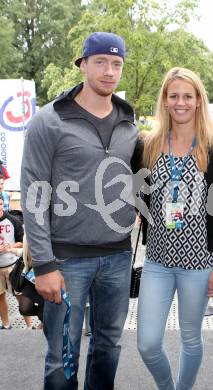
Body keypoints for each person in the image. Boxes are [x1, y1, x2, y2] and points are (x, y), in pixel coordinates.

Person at [21, 32, 139, 389]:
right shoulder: (50, 120)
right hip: (66, 260)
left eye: (116, 64)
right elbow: (33, 195)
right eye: (100, 62)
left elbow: (131, 175)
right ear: (83, 64)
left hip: (118, 256)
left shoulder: (128, 121)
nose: (109, 71)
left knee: (108, 347)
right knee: (61, 354)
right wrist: (44, 265)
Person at [137, 67, 213, 390]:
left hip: (199, 265)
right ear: (164, 100)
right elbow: (139, 195)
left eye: (187, 96)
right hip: (158, 262)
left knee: (191, 337)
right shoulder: (147, 146)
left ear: (198, 101)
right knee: (148, 343)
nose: (180, 102)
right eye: (174, 95)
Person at [0, 195, 23, 329]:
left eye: (0, 204)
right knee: (0, 298)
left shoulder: (13, 220)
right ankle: (6, 325)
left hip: (12, 265)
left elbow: (22, 242)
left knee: (20, 296)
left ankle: (29, 325)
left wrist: (9, 247)